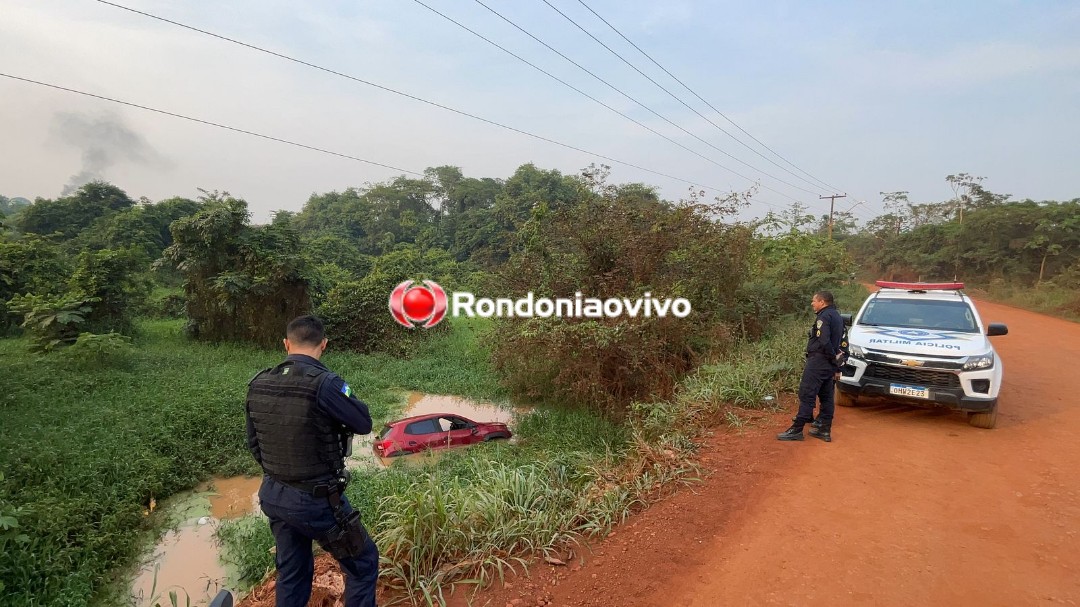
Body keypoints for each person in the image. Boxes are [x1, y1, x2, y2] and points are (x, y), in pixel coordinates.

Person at [245, 315, 379, 607]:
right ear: (324, 344)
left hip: (274, 495)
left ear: (286, 344)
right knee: (363, 562)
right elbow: (363, 422)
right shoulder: (325, 383)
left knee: (292, 573)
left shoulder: (258, 383)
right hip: (316, 500)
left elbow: (254, 444)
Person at [777, 291, 845, 443]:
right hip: (828, 364)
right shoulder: (837, 316)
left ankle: (797, 429)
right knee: (826, 396)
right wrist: (835, 361)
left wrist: (831, 356)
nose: (812, 303)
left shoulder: (824, 316)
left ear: (822, 302)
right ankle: (824, 430)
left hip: (819, 361)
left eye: (814, 301)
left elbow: (824, 341)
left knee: (807, 393)